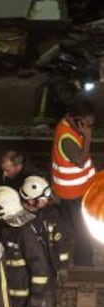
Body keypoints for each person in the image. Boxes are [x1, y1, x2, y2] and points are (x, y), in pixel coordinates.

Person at [19, 175, 70, 307]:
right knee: (26, 300)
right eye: (43, 198)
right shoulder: (19, 217)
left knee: (46, 302)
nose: (47, 200)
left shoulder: (52, 217)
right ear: (31, 200)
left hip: (46, 266)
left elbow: (61, 244)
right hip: (25, 267)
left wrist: (62, 268)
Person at [51, 98, 96, 266]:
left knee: (71, 225)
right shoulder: (66, 138)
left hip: (75, 189)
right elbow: (80, 161)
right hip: (73, 193)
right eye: (87, 124)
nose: (89, 127)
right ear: (76, 120)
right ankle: (84, 260)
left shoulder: (69, 126)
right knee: (81, 229)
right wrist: (88, 137)